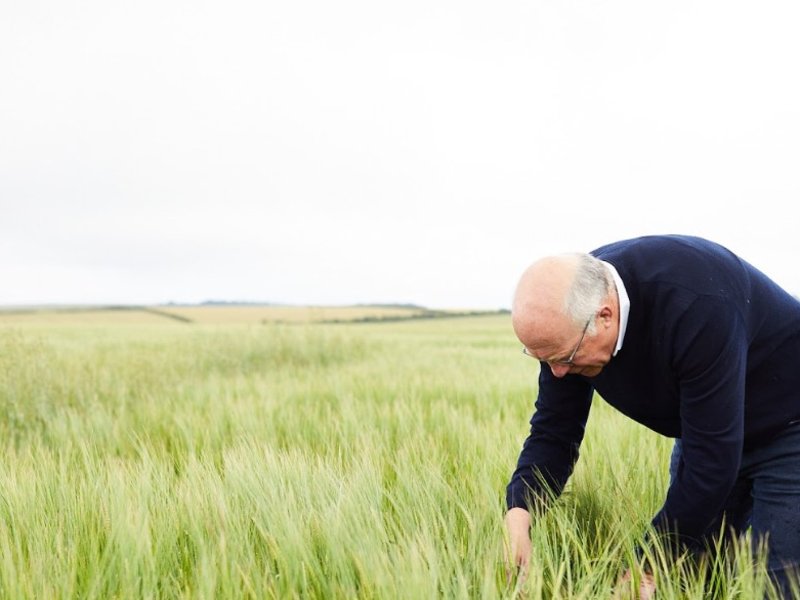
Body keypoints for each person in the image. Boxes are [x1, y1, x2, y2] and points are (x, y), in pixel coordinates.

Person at [505, 234, 800, 598]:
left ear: (605, 316)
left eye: (563, 359)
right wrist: (520, 510)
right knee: (690, 579)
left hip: (790, 424)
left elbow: (712, 463)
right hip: (706, 427)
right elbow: (554, 430)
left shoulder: (696, 304)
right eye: (543, 360)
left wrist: (645, 564)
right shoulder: (569, 322)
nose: (557, 374)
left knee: (778, 581)